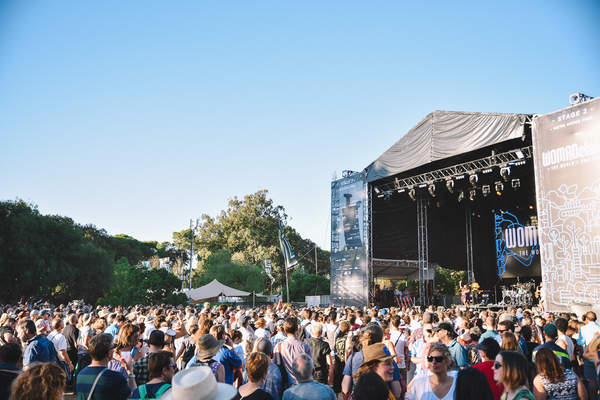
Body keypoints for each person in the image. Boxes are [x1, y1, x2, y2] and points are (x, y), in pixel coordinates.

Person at [76, 333, 134, 400]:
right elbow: (133, 396)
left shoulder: (81, 374)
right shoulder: (115, 377)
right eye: (113, 346)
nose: (114, 350)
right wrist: (130, 373)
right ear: (109, 353)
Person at [272, 317, 312, 387]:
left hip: (284, 384)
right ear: (297, 329)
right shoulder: (305, 346)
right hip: (301, 383)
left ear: (284, 330)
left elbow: (274, 366)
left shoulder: (278, 346)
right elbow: (310, 367)